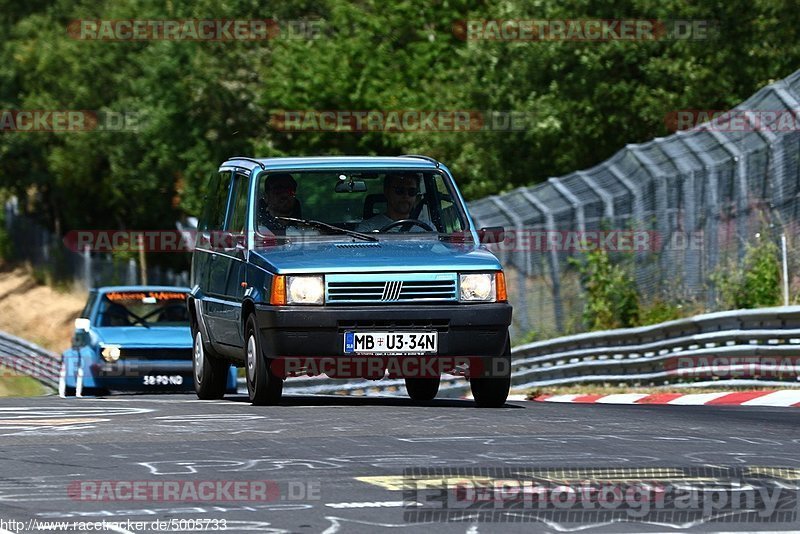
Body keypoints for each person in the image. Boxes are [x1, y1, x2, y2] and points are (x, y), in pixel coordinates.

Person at [357, 172, 426, 232]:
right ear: (387, 192)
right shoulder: (368, 227)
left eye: (411, 191)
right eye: (399, 190)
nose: (406, 196)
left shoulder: (426, 227)